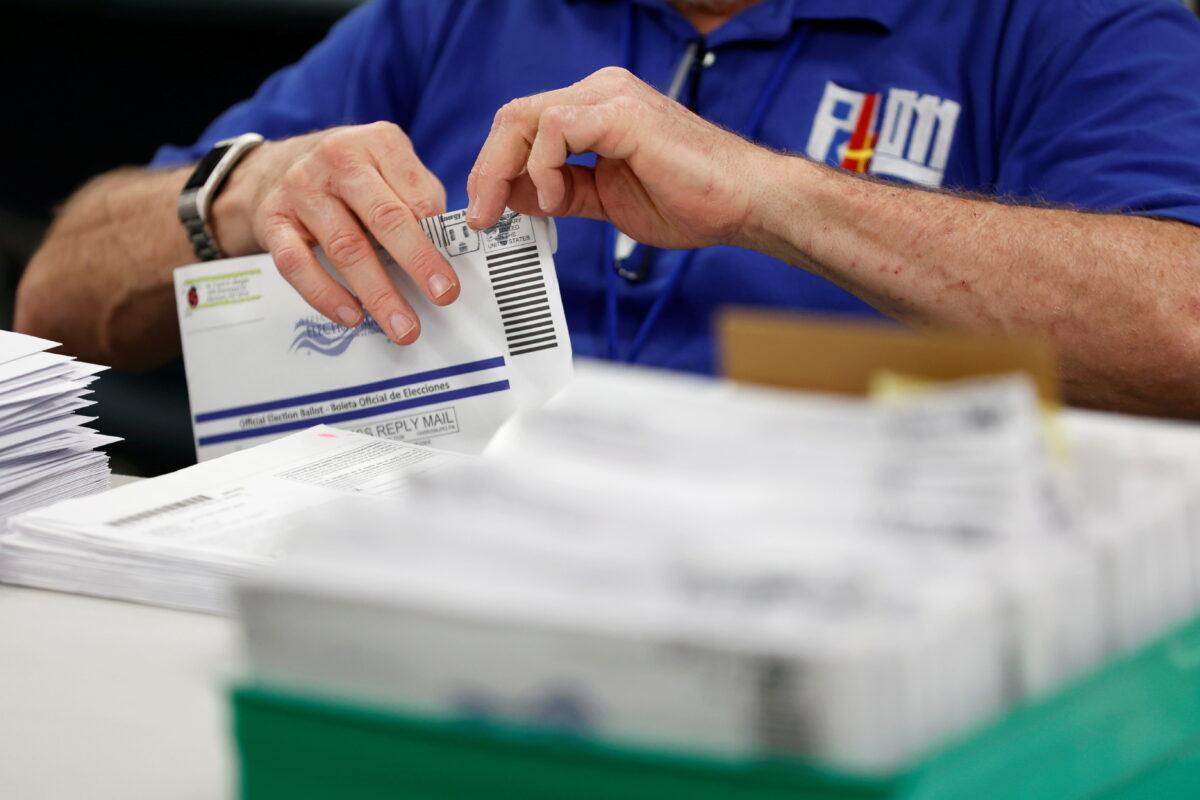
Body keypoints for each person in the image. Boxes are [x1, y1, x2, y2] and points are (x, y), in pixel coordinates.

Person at [15, 0, 1200, 416]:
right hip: (424, 586)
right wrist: (238, 191)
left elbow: (1179, 330)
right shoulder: (455, 14)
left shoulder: (1068, 17)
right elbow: (55, 298)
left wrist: (771, 194)